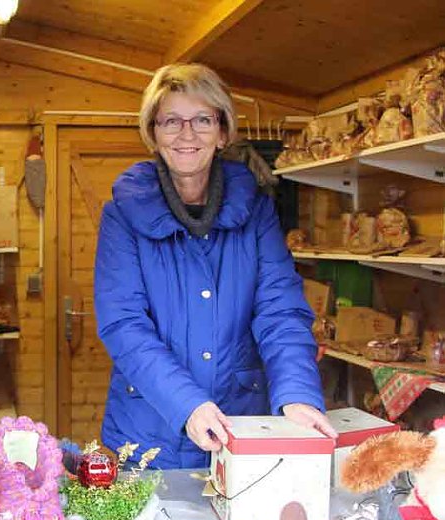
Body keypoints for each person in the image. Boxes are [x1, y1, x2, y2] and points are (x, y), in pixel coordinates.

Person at [94, 63, 336, 470]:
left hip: (239, 421)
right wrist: (186, 403)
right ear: (153, 132)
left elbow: (281, 310)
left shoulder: (257, 212)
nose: (186, 134)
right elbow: (123, 323)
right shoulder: (122, 216)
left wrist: (296, 393)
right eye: (171, 120)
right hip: (149, 428)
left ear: (223, 131)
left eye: (202, 119)